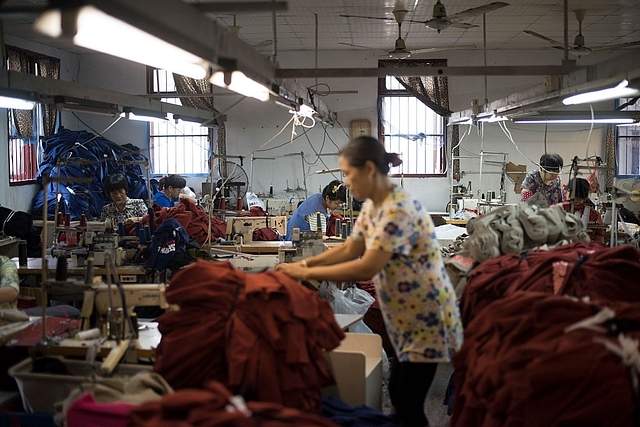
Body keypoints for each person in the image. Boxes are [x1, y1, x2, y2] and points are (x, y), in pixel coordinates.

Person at [276, 136, 463, 427]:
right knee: (401, 395)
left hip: (426, 316)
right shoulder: (374, 206)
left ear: (369, 170)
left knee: (408, 402)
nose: (346, 182)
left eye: (348, 174)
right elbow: (351, 248)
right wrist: (303, 263)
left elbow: (366, 266)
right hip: (404, 314)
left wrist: (306, 273)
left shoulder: (397, 209)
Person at [557, 177, 605, 244]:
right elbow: (600, 242)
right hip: (586, 251)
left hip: (563, 250)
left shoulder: (559, 209)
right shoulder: (595, 214)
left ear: (569, 192)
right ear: (586, 195)